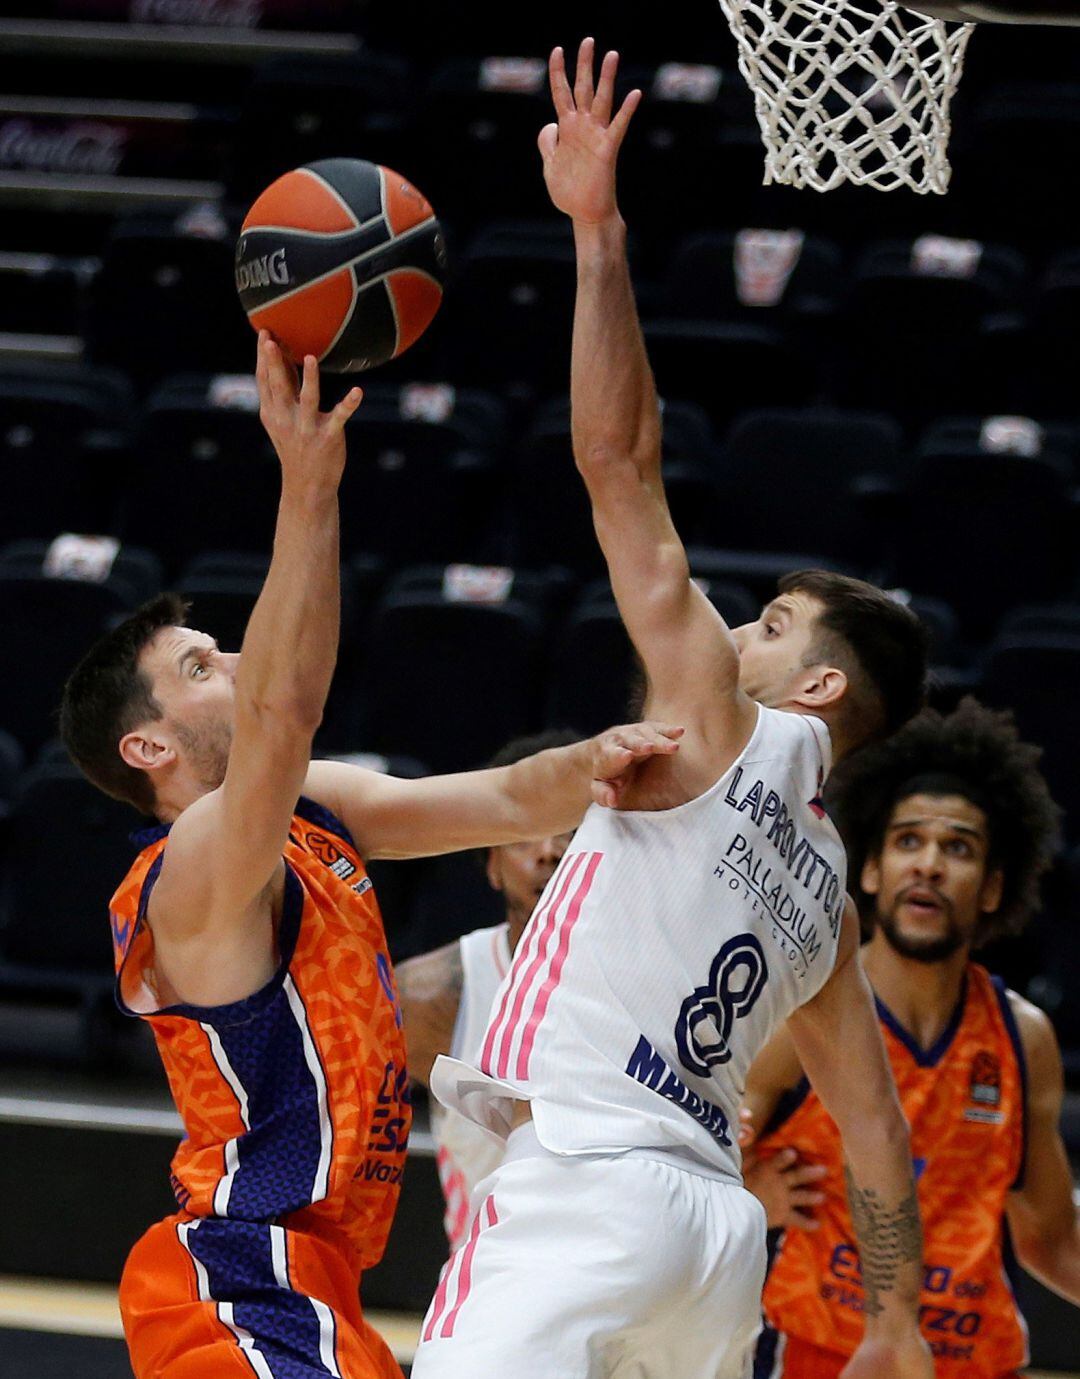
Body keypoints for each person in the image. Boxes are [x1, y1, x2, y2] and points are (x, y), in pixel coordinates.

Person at [412, 39, 932, 1379]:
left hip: (588, 1184)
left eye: (768, 627)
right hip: (712, 1239)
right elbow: (874, 1125)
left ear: (818, 686)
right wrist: (892, 1317)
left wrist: (595, 236)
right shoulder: (826, 894)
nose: (734, 634)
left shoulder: (722, 724)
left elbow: (616, 464)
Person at [58, 331, 684, 1379]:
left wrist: (607, 756)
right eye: (204, 665)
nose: (242, 661)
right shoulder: (194, 864)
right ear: (149, 745)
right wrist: (309, 484)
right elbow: (285, 705)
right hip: (236, 1276)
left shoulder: (314, 810)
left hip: (317, 1278)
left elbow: (494, 796)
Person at [742, 697, 1079, 1379]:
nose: (928, 864)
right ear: (870, 870)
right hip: (813, 1350)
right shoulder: (797, 1009)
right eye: (908, 841)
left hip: (976, 1360)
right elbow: (689, 1162)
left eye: (957, 847)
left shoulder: (1023, 1036)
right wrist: (747, 1199)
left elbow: (1049, 1237)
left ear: (990, 888)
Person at [398, 729, 577, 1250]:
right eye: (526, 835)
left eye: (570, 831)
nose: (549, 852)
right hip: (488, 1290)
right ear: (492, 867)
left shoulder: (661, 979)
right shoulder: (430, 994)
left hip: (626, 1293)